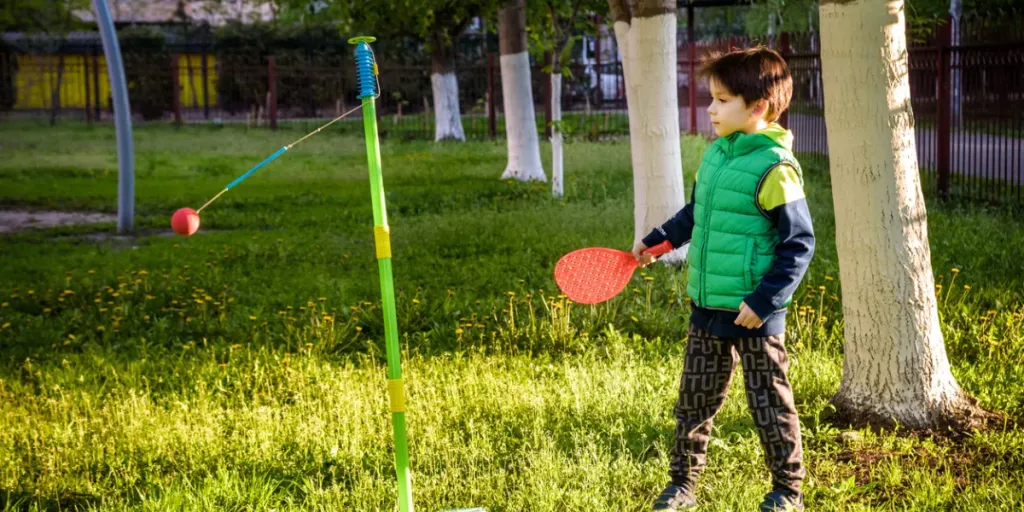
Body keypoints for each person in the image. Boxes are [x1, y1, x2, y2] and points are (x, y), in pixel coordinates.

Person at [634, 46, 815, 512]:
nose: (710, 109)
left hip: (754, 315)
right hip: (707, 306)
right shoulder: (715, 155)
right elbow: (697, 213)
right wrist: (659, 241)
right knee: (693, 403)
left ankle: (787, 492)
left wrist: (765, 302)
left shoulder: (777, 168)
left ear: (757, 107)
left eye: (721, 100)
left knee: (769, 406)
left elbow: (799, 244)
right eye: (711, 99)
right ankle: (682, 486)